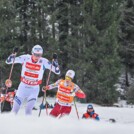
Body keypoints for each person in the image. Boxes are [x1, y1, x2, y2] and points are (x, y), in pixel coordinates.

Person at [5, 45, 60, 115]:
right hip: (23, 87)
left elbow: (57, 71)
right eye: (36, 54)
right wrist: (13, 54)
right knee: (14, 110)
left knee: (28, 111)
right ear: (32, 53)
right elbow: (8, 61)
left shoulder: (44, 61)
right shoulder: (25, 58)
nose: (37, 57)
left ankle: (28, 125)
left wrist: (56, 62)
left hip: (34, 89)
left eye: (39, 55)